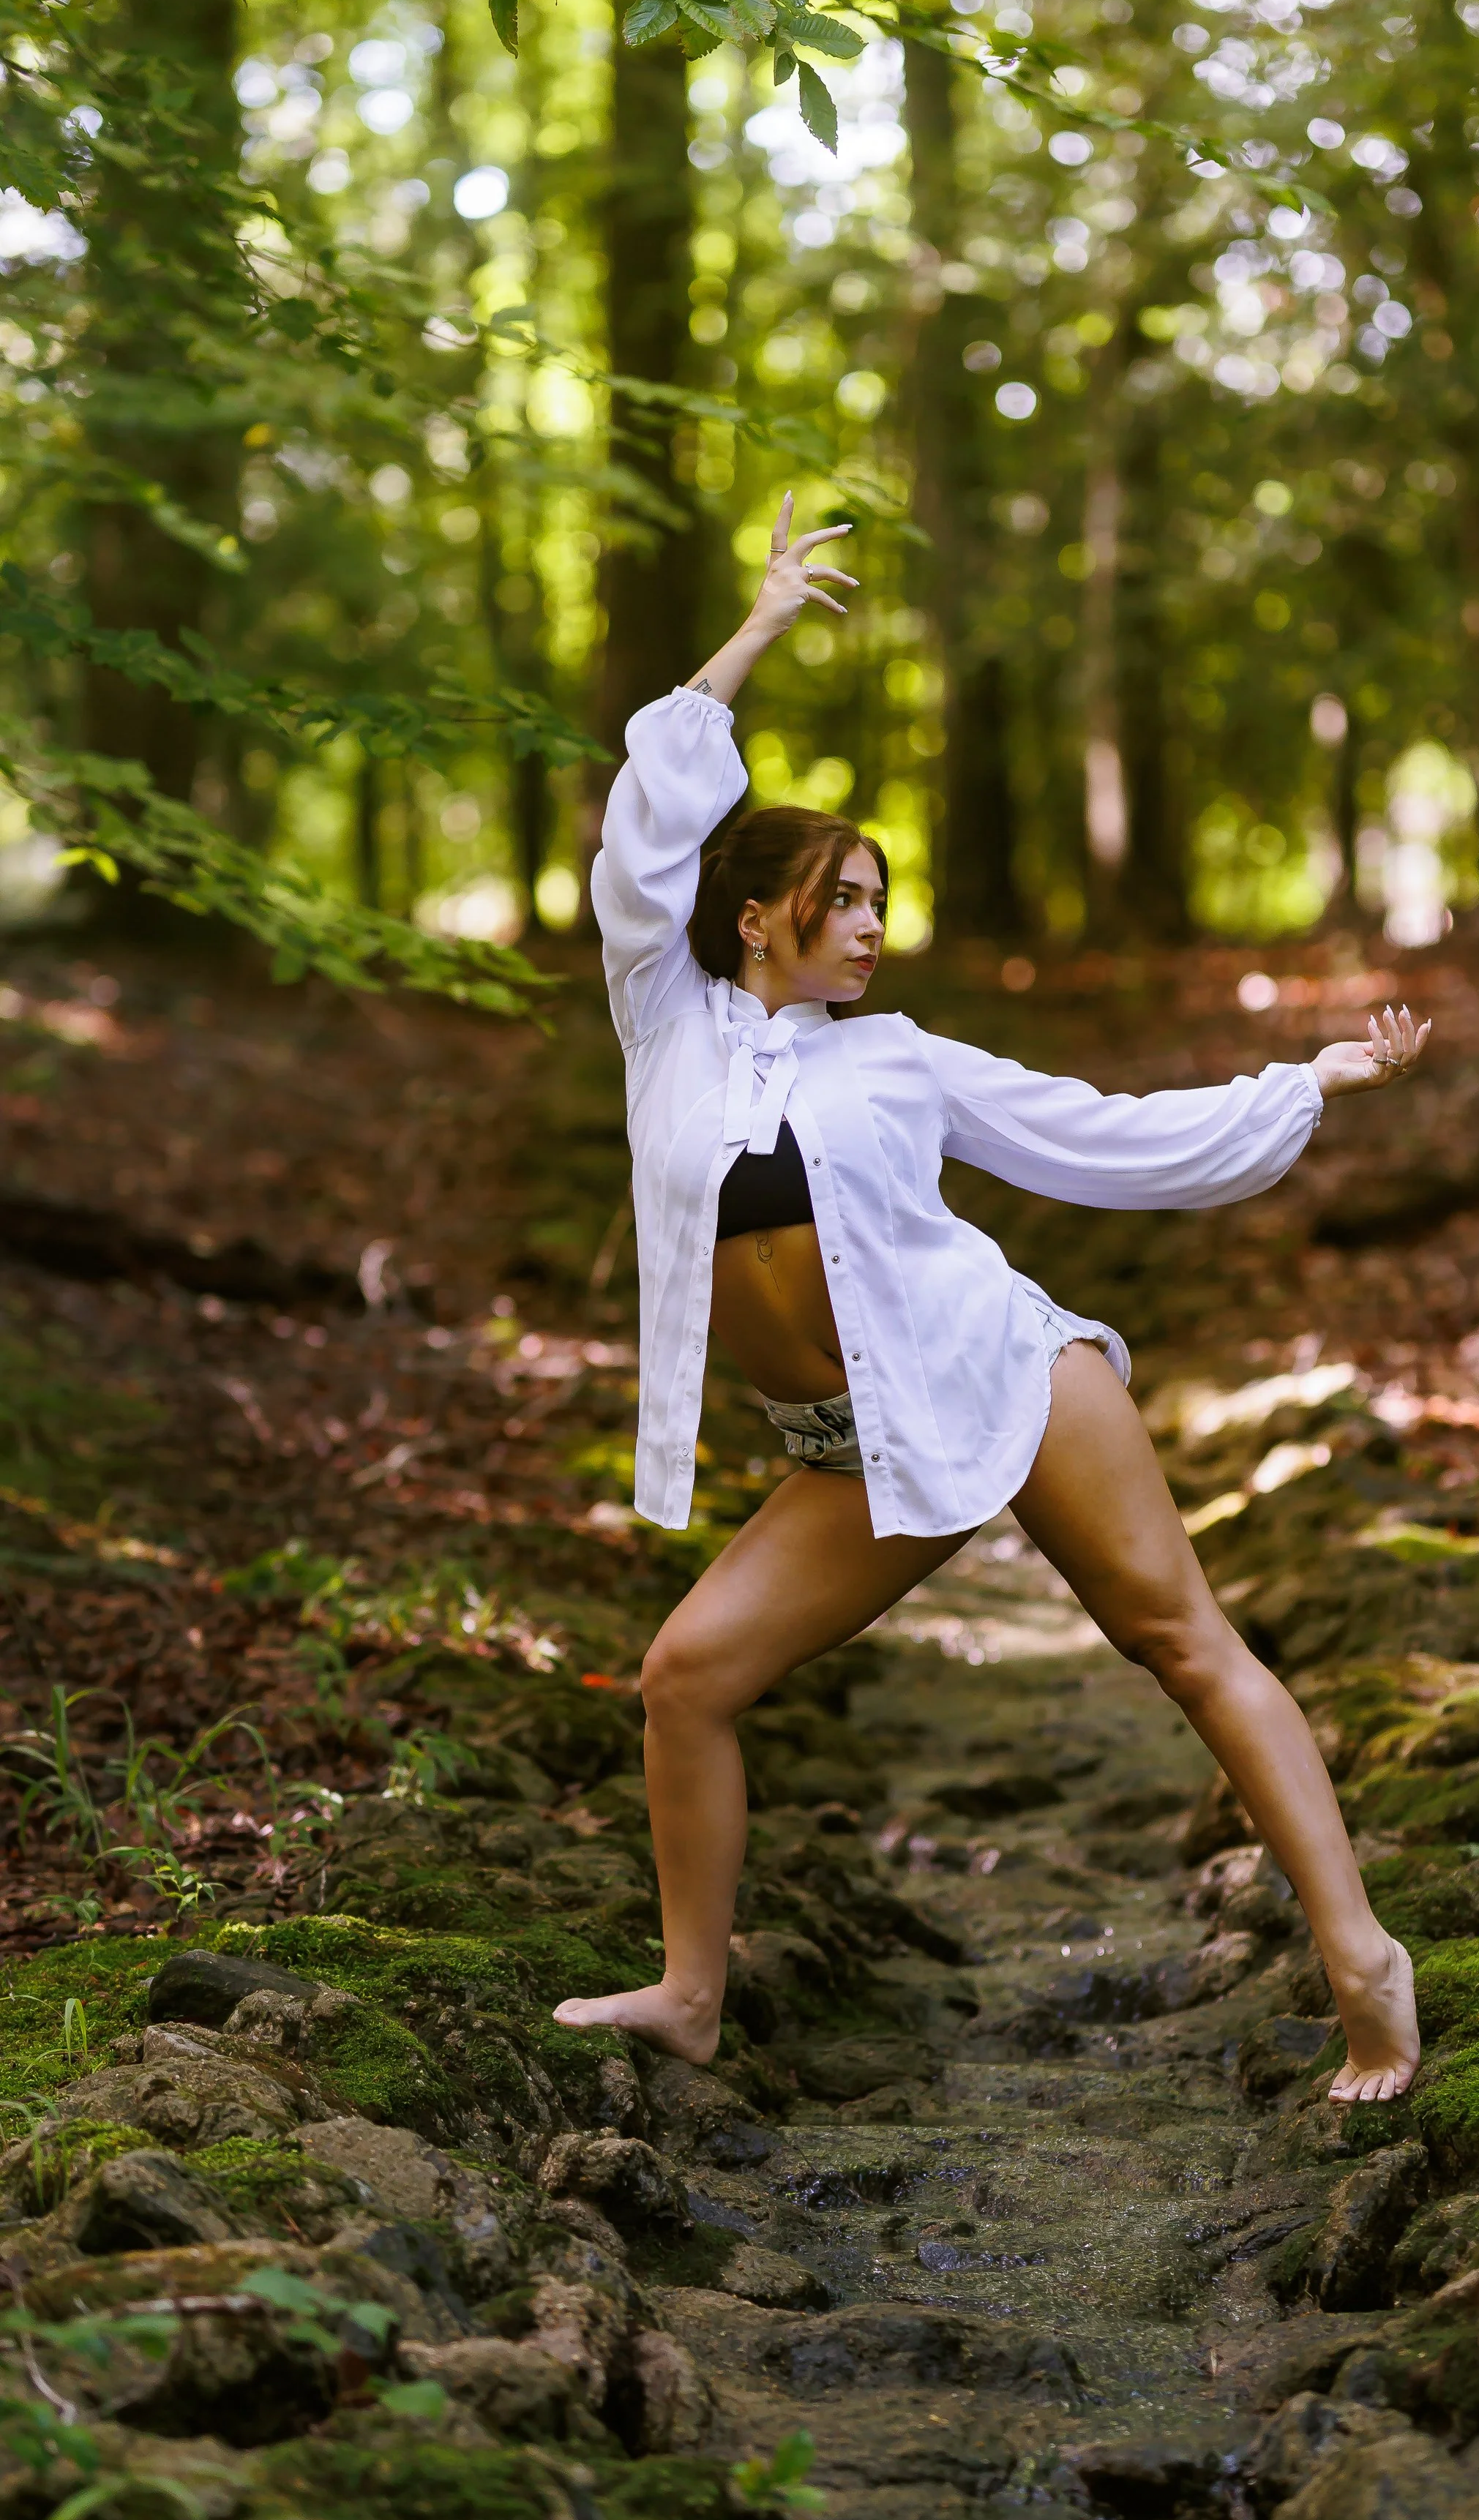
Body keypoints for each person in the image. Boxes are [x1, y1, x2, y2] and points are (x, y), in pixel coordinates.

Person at [555, 498, 1430, 2105]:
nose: (877, 928)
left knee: (1179, 1641)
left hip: (1010, 1376)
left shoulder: (897, 1058)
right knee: (686, 1677)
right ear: (756, 917)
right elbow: (650, 818)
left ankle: (1361, 1957)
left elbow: (1102, 1135)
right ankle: (689, 1993)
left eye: (885, 903)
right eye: (847, 899)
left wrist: (1303, 1079)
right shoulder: (662, 1021)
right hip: (854, 1444)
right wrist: (750, 631)